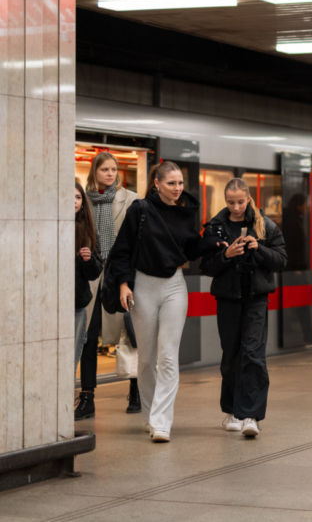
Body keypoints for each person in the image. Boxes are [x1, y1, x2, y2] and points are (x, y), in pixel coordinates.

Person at [109, 161, 208, 443]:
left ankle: (162, 422)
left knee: (167, 356)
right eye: (171, 183)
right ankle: (149, 416)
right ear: (157, 183)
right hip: (143, 287)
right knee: (147, 359)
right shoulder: (140, 209)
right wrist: (124, 284)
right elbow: (122, 249)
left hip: (175, 285)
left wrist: (214, 241)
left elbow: (191, 248)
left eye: (180, 183)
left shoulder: (185, 212)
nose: (177, 188)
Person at [200, 178, 287, 439]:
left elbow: (281, 261)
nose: (236, 207)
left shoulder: (266, 226)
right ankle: (232, 411)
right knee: (231, 357)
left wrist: (259, 248)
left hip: (256, 299)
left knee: (253, 355)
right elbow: (205, 267)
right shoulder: (215, 228)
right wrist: (226, 256)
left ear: (248, 198)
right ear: (225, 201)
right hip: (227, 299)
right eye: (230, 202)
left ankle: (251, 415)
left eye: (240, 202)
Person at [77, 152, 140, 421]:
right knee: (88, 336)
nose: (110, 174)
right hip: (92, 271)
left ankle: (136, 389)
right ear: (95, 171)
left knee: (130, 333)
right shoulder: (83, 199)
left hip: (121, 273)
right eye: (104, 169)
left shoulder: (131, 199)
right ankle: (87, 397)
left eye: (114, 169)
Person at [75, 182, 104, 377]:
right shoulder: (47, 227)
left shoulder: (88, 230)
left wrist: (88, 260)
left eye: (78, 197)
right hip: (49, 305)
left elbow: (95, 272)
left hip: (77, 304)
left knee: (72, 358)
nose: (74, 201)